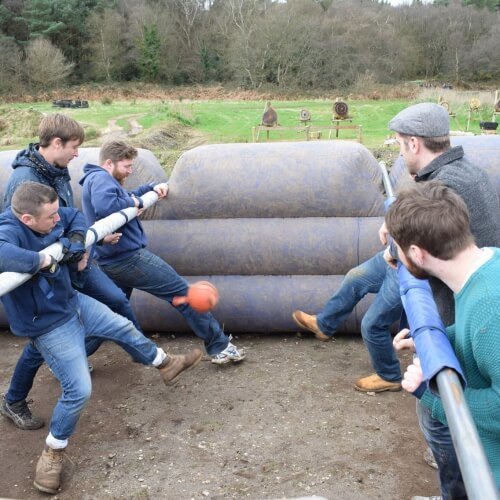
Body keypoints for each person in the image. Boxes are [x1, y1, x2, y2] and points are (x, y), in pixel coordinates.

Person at [0, 182, 202, 494]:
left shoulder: (53, 215)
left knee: (122, 326)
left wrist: (77, 242)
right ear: (27, 219)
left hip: (72, 302)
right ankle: (52, 453)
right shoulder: (9, 230)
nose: (57, 219)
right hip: (48, 324)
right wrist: (42, 259)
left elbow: (74, 216)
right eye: (50, 217)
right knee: (79, 389)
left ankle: (165, 363)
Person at [292, 102, 499, 393]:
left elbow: (428, 241)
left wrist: (394, 248)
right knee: (356, 277)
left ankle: (389, 375)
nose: (401, 152)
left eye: (401, 145)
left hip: (420, 266)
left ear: (414, 144)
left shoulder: (447, 185)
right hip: (408, 251)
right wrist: (394, 222)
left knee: (372, 324)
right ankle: (325, 324)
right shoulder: (457, 172)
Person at [0, 114, 141, 431]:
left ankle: (136, 353)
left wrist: (81, 240)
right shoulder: (25, 181)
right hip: (48, 274)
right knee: (43, 339)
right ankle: (15, 399)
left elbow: (66, 215)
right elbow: (23, 237)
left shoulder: (56, 170)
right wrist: (62, 251)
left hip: (71, 260)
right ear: (56, 143)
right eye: (75, 147)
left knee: (114, 301)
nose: (78, 154)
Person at [79, 140, 246, 364]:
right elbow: (107, 206)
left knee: (111, 315)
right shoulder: (100, 179)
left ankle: (69, 357)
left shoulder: (100, 179)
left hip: (112, 261)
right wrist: (136, 201)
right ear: (109, 163)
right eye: (126, 166)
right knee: (183, 294)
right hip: (128, 259)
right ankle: (219, 346)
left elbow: (120, 198)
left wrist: (149, 190)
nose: (129, 171)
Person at [388, 182, 500, 499]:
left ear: (417, 253)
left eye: (398, 248)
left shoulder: (491, 305)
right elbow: (479, 338)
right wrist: (432, 340)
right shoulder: (488, 266)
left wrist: (432, 394)